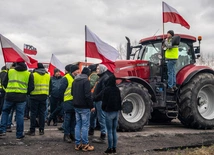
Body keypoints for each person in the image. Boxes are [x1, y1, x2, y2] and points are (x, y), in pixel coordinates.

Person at [0, 60, 34, 140]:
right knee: (20, 115)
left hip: (9, 96)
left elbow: (4, 82)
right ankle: (19, 134)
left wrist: (8, 89)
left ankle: (2, 131)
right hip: (21, 97)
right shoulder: (28, 74)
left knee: (5, 112)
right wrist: (25, 92)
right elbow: (31, 87)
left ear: (16, 64)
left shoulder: (10, 71)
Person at [72, 67, 95, 151]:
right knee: (85, 125)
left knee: (78, 124)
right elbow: (87, 95)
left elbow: (72, 93)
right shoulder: (86, 81)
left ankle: (77, 144)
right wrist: (91, 106)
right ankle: (85, 144)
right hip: (84, 106)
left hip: (76, 105)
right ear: (87, 74)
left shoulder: (75, 81)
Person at [26, 63, 50, 136]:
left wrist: (28, 93)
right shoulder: (47, 75)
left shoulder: (33, 75)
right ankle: (41, 130)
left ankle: (32, 130)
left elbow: (31, 86)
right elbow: (50, 86)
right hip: (44, 96)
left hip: (34, 96)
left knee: (33, 114)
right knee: (42, 114)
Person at [92, 64, 113, 143]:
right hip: (98, 100)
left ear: (102, 69)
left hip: (100, 100)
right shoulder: (101, 77)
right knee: (96, 117)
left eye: (98, 69)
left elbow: (104, 90)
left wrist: (97, 96)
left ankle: (103, 136)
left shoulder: (105, 78)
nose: (96, 70)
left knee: (102, 118)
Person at [59, 64, 79, 143]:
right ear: (74, 71)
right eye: (77, 70)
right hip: (67, 101)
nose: (78, 72)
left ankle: (72, 133)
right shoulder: (66, 78)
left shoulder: (77, 78)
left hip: (75, 101)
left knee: (74, 119)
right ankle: (66, 134)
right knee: (68, 118)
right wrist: (62, 101)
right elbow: (61, 90)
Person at [102, 75, 122, 154]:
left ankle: (109, 148)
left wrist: (104, 109)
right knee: (114, 131)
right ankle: (114, 148)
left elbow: (104, 102)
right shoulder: (117, 89)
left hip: (109, 112)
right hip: (116, 112)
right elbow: (120, 100)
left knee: (109, 131)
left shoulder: (106, 90)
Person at [88, 64, 99, 136]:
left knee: (92, 115)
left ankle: (91, 129)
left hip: (93, 95)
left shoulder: (93, 75)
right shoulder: (96, 75)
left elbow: (91, 85)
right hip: (95, 95)